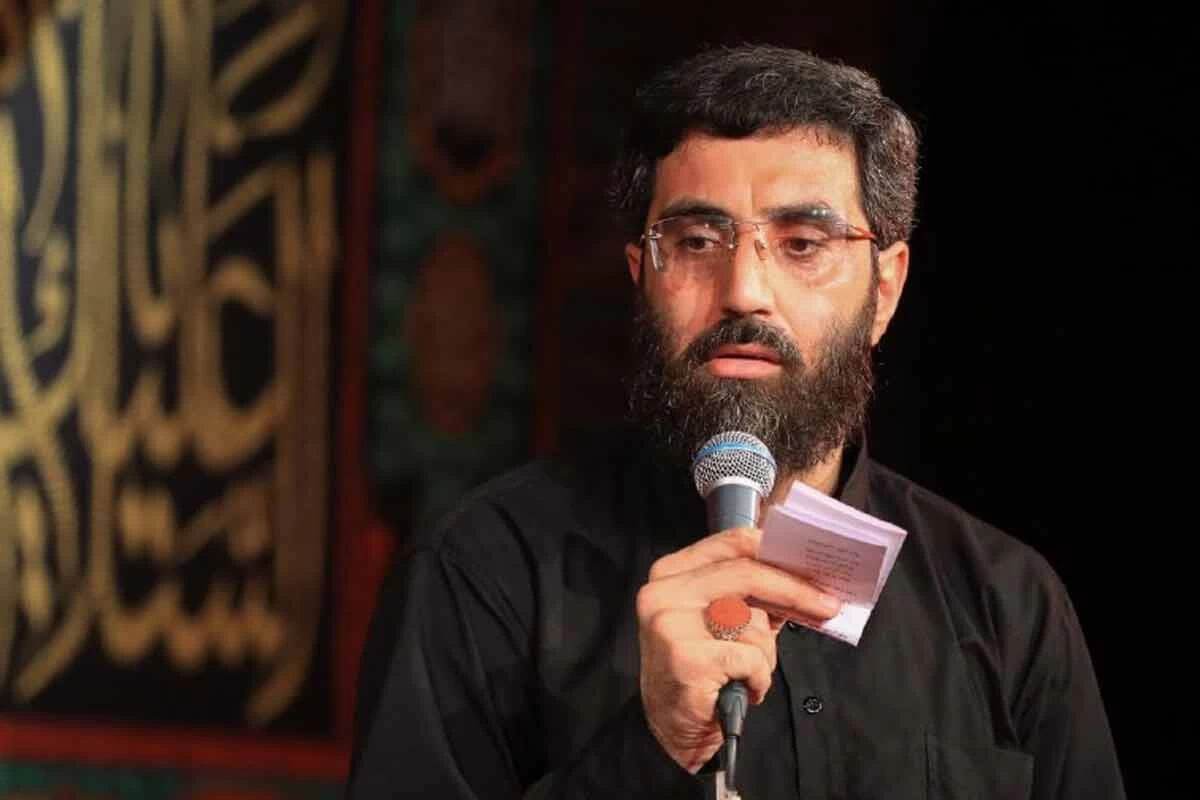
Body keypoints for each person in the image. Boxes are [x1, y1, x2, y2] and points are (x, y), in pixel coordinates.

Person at [346, 45, 1125, 799]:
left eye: (803, 244)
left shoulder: (1004, 603)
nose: (744, 289)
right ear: (642, 275)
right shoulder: (482, 572)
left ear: (884, 291)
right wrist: (651, 749)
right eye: (695, 241)